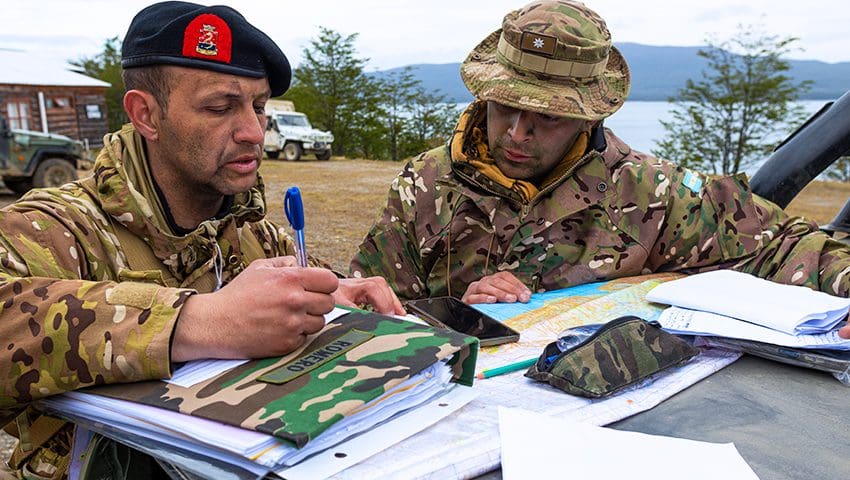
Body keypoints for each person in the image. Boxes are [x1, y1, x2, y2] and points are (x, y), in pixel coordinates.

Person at [0, 2, 403, 478]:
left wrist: (329, 297)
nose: (253, 132)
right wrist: (197, 321)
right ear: (146, 115)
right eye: (219, 108)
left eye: (258, 106)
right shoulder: (57, 229)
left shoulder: (254, 234)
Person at [350, 0, 850, 339]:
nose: (518, 134)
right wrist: (458, 313)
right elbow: (365, 308)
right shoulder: (427, 184)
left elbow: (783, 243)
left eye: (548, 116)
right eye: (504, 107)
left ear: (589, 117)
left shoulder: (648, 193)